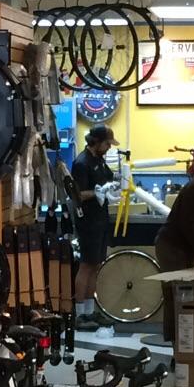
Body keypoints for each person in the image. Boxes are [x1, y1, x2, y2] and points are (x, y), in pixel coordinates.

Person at [70, 126, 116, 322]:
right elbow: (77, 194)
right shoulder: (81, 163)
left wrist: (110, 187)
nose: (108, 148)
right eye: (106, 144)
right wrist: (96, 193)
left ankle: (90, 310)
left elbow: (107, 178)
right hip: (88, 221)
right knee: (86, 265)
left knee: (96, 264)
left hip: (101, 218)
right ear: (96, 141)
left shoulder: (98, 159)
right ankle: (80, 313)